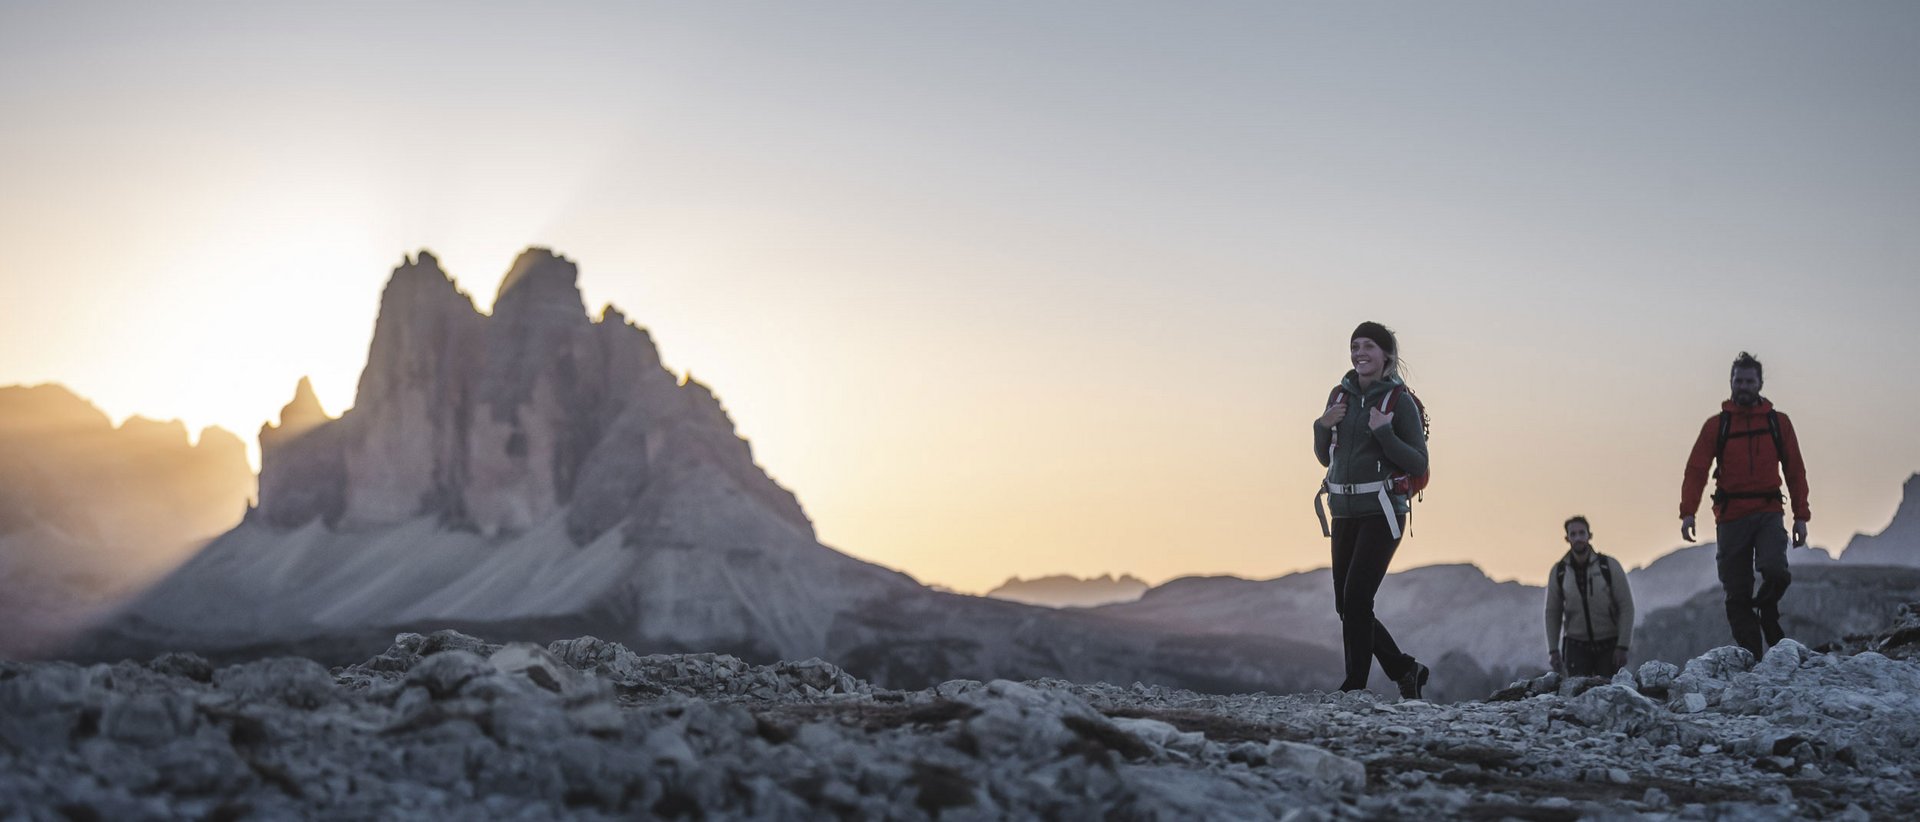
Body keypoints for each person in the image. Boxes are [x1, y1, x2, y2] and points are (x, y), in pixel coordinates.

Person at [1313, 321, 1430, 698]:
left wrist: (1384, 432)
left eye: (1368, 346)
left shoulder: (1399, 402)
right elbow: (1323, 457)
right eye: (1354, 346)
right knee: (1345, 605)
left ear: (1386, 356)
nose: (1359, 352)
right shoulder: (1339, 396)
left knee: (1358, 597)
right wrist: (1320, 425)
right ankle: (1404, 669)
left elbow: (1418, 463)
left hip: (1383, 511)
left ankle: (1354, 687)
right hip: (1343, 510)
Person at [1679, 351, 1811, 660]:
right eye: (1738, 381)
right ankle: (1753, 658)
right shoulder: (1717, 426)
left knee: (1776, 572)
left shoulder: (1779, 423)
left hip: (1768, 512)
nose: (1743, 387)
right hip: (1730, 517)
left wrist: (1801, 516)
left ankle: (1767, 610)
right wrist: (1688, 512)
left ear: (1760, 383)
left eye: (1749, 381)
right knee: (1736, 593)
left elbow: (1795, 470)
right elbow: (1696, 470)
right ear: (1730, 382)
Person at [1544, 515, 1635, 677]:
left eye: (1581, 533)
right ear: (1567, 538)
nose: (1578, 538)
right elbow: (1553, 611)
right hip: (1575, 646)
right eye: (1573, 534)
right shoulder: (1559, 572)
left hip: (1609, 645)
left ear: (1589, 535)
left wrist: (1623, 646)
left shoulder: (1608, 566)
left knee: (1610, 696)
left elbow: (1626, 606)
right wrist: (1553, 650)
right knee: (1577, 698)